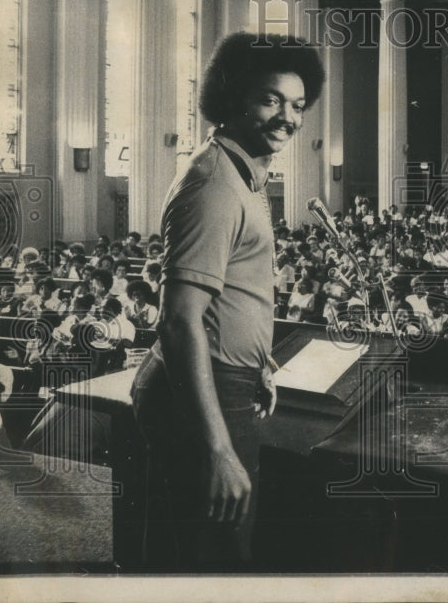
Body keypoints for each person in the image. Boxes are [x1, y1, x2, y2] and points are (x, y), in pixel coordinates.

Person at [130, 32, 324, 570]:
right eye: (271, 99)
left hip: (228, 380)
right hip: (203, 390)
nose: (288, 117)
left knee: (205, 549)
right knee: (209, 560)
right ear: (235, 97)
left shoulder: (244, 174)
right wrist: (217, 448)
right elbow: (178, 322)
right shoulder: (214, 183)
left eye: (298, 104)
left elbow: (233, 294)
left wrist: (258, 363)